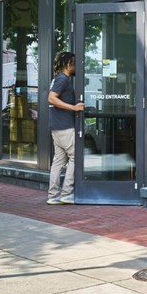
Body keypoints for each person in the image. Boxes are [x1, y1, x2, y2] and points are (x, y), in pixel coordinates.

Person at [47, 52, 84, 205]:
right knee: (76, 157)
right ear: (69, 64)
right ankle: (67, 193)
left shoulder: (58, 78)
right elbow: (51, 98)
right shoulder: (63, 79)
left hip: (57, 127)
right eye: (74, 63)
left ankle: (53, 196)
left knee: (58, 161)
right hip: (65, 127)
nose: (76, 66)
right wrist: (74, 108)